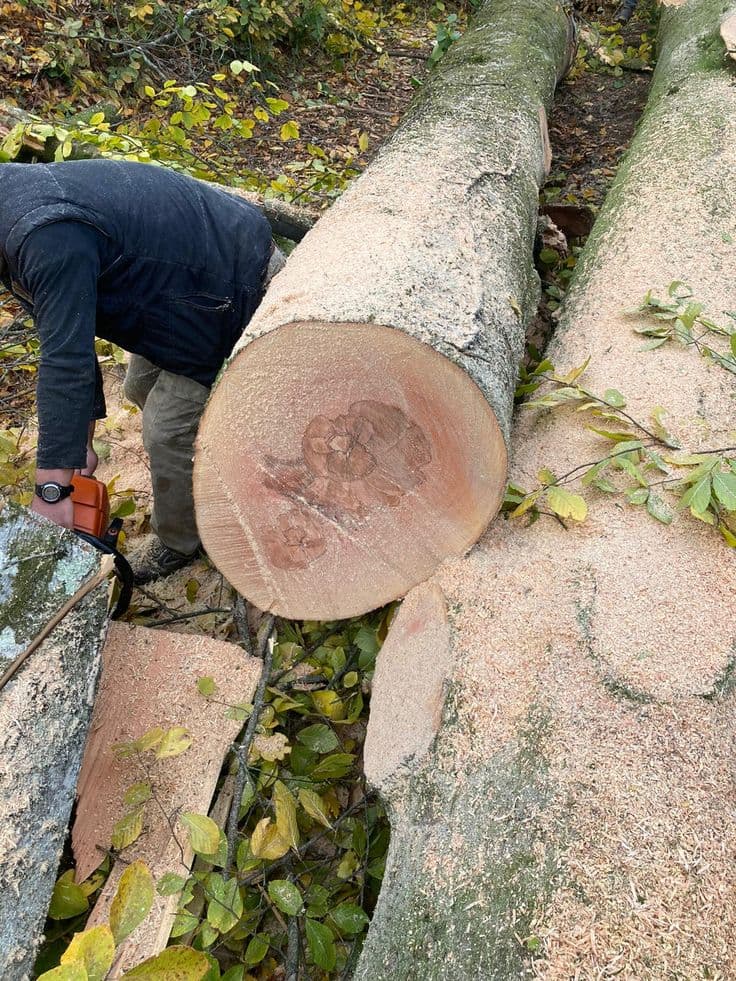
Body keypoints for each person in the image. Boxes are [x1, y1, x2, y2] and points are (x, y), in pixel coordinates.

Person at [0, 159, 285, 582]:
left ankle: (180, 543)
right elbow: (64, 332)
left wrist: (52, 489)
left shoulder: (44, 234)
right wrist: (77, 446)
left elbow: (67, 360)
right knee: (138, 387)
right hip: (174, 276)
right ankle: (210, 456)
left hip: (233, 278)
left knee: (166, 429)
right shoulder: (15, 217)